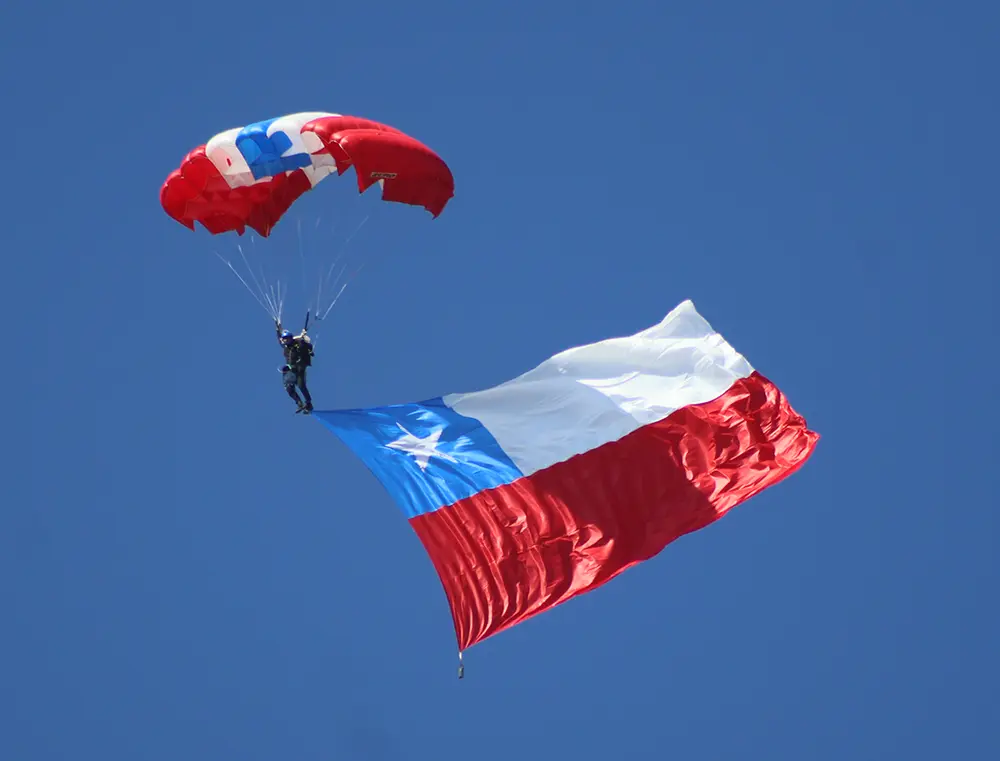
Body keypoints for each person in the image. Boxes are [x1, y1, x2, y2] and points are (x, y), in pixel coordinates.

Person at [275, 321, 314, 413]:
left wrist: (303, 337)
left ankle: (308, 403)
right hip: (290, 369)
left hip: (299, 368)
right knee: (288, 387)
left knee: (301, 385)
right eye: (284, 339)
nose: (284, 340)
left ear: (290, 338)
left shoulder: (299, 344)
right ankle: (299, 403)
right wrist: (278, 328)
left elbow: (307, 345)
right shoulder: (285, 347)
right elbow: (279, 338)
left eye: (286, 339)